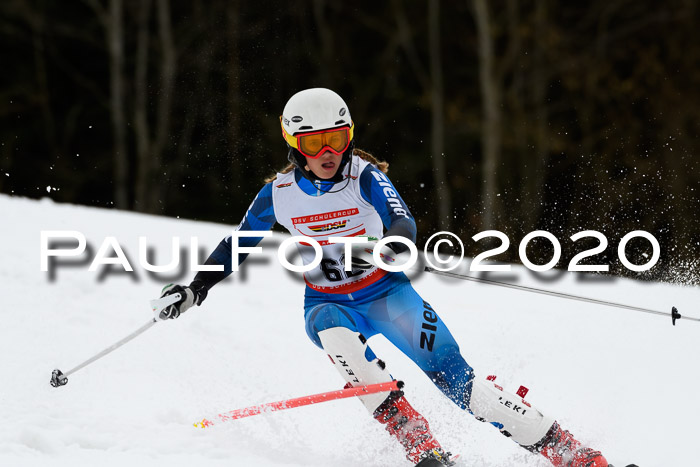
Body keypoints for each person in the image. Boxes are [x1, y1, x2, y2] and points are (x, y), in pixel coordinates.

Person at [159, 88, 609, 466]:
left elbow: (403, 221)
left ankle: (573, 454)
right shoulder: (278, 194)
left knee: (461, 383)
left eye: (337, 139)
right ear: (294, 144)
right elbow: (239, 244)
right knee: (337, 339)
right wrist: (194, 289)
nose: (328, 154)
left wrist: (392, 246)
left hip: (389, 296)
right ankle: (423, 449)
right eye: (314, 144)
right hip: (327, 302)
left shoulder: (364, 175)